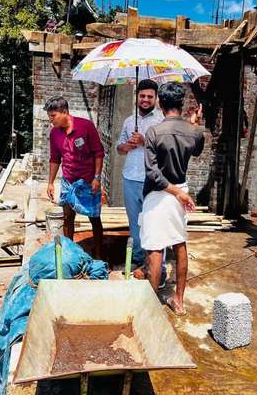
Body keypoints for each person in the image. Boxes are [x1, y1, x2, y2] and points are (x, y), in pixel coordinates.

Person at [139, 82, 204, 315]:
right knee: (179, 243)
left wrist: (176, 192)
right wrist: (194, 124)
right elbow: (195, 149)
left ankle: (150, 305)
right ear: (182, 103)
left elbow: (153, 174)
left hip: (160, 193)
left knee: (155, 249)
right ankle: (179, 301)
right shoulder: (194, 131)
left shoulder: (154, 132)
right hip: (180, 190)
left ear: (160, 103)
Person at [116, 80, 165, 281]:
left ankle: (158, 269)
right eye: (142, 96)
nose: (145, 100)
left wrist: (145, 141)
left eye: (149, 97)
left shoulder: (162, 122)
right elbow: (119, 148)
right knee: (134, 224)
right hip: (130, 177)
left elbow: (165, 151)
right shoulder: (129, 121)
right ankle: (138, 259)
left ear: (156, 99)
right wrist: (127, 145)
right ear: (137, 96)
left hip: (151, 180)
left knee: (154, 224)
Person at [45, 96, 104, 259]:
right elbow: (55, 158)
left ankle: (99, 254)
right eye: (49, 116)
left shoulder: (86, 127)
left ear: (64, 112)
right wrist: (50, 182)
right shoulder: (54, 133)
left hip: (88, 180)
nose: (51, 120)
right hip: (68, 181)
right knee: (67, 217)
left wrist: (97, 177)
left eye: (53, 116)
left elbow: (99, 152)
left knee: (94, 218)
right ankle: (68, 252)